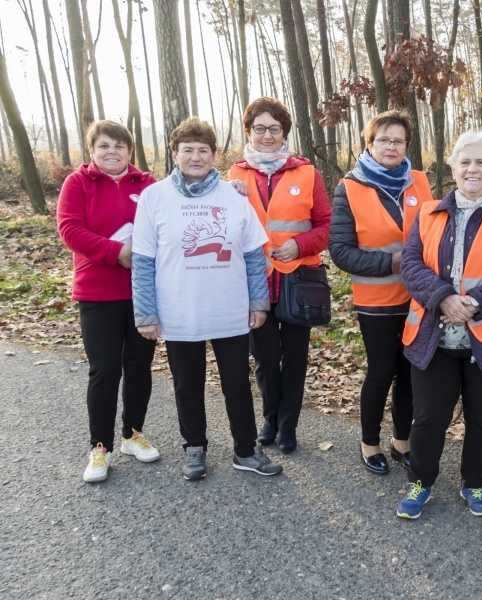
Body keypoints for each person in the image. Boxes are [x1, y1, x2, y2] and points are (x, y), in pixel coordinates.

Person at [132, 116, 282, 480]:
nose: (196, 157)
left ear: (215, 155)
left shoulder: (232, 196)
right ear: (174, 154)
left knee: (236, 384)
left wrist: (258, 302)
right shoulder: (154, 197)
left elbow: (251, 254)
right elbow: (143, 261)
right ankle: (194, 448)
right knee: (187, 385)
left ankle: (245, 450)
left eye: (203, 150)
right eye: (188, 150)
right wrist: (145, 313)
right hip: (180, 310)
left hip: (229, 309)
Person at [396, 131, 482, 519]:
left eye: (480, 162)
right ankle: (420, 481)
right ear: (453, 168)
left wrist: (475, 303)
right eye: (465, 162)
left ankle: (474, 483)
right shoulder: (427, 212)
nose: (472, 169)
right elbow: (410, 265)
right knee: (428, 417)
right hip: (433, 336)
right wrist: (443, 297)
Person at [329, 111, 434, 475]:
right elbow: (341, 251)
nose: (392, 146)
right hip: (375, 301)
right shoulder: (350, 187)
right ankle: (369, 441)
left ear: (407, 146)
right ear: (369, 144)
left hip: (419, 298)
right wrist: (391, 262)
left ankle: (401, 440)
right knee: (381, 371)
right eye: (384, 139)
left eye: (399, 140)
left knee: (410, 371)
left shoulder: (419, 182)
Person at [57, 120, 160, 483]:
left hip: (142, 292)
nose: (111, 152)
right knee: (104, 370)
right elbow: (70, 229)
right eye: (103, 146)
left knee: (138, 366)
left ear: (129, 151)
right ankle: (99, 448)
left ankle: (133, 434)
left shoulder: (148, 185)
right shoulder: (78, 183)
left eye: (118, 146)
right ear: (92, 151)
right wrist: (117, 252)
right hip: (97, 292)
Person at [227, 97, 331, 454]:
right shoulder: (234, 175)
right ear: (249, 132)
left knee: (296, 359)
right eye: (260, 129)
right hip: (254, 282)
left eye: (274, 129)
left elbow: (327, 224)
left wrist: (300, 245)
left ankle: (288, 426)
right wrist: (228, 195)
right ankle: (269, 419)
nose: (267, 135)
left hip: (300, 280)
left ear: (285, 132)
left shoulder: (307, 173)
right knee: (265, 359)